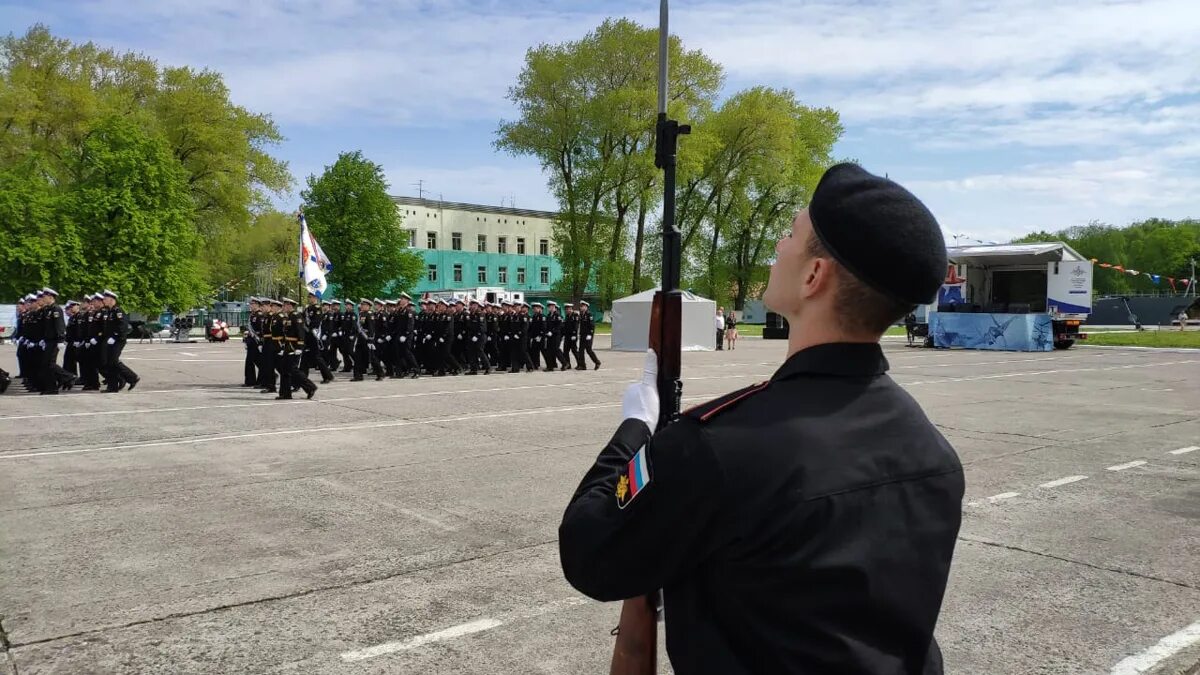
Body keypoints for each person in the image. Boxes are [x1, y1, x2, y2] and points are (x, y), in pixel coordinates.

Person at [558, 163, 964, 674]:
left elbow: (589, 552)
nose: (779, 243)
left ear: (815, 276)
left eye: (791, 234)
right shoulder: (932, 450)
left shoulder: (719, 447)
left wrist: (635, 429)